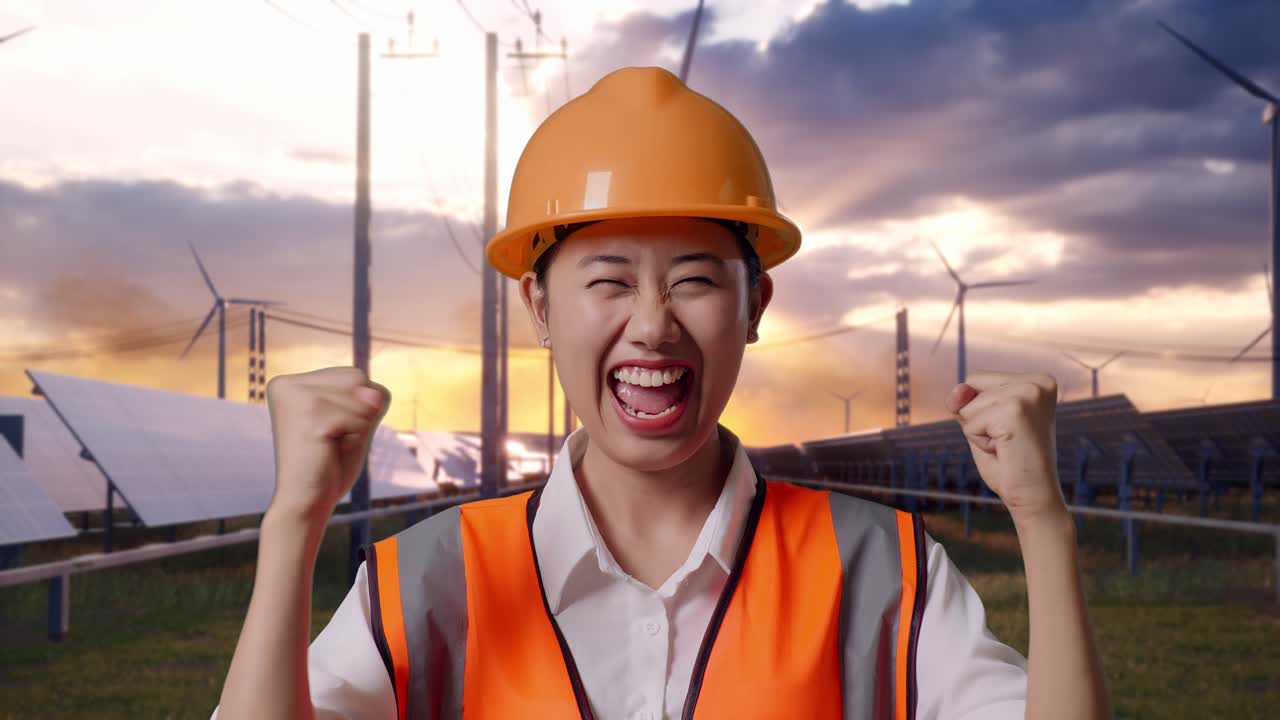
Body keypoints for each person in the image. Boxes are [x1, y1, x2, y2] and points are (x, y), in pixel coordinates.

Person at [213, 66, 1110, 719]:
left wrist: (1043, 519)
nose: (652, 325)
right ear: (539, 306)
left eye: (695, 280)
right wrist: (291, 527)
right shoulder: (423, 583)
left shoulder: (886, 571)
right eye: (608, 280)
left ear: (755, 304)